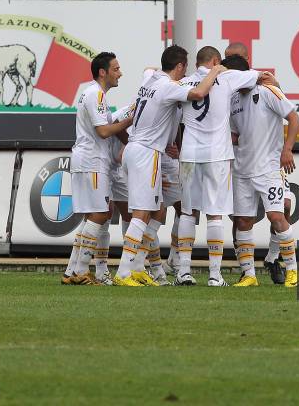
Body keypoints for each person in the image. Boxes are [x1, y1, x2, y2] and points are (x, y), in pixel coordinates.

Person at [113, 45, 224, 287]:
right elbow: (198, 94)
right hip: (147, 153)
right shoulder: (168, 87)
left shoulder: (151, 79)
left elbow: (147, 68)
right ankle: (123, 272)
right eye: (184, 71)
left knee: (155, 211)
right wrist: (214, 72)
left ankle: (139, 266)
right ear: (181, 66)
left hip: (135, 149)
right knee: (141, 214)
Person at [175, 46, 272, 287]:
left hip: (189, 154)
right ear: (216, 61)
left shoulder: (184, 82)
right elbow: (261, 75)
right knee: (214, 213)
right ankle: (214, 275)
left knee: (188, 212)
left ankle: (183, 271)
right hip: (217, 155)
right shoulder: (227, 77)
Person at [223, 54, 299, 287]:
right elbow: (236, 134)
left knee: (277, 216)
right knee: (243, 221)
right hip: (242, 170)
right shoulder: (233, 100)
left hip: (268, 169)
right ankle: (249, 275)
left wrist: (287, 150)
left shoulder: (268, 92)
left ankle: (293, 272)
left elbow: (294, 118)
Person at [62, 52, 131, 286]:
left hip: (86, 160)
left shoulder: (90, 93)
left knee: (93, 215)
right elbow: (103, 131)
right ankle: (82, 271)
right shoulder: (96, 94)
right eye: (116, 69)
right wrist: (128, 121)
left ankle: (72, 270)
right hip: (92, 161)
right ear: (103, 72)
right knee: (101, 214)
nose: (119, 73)